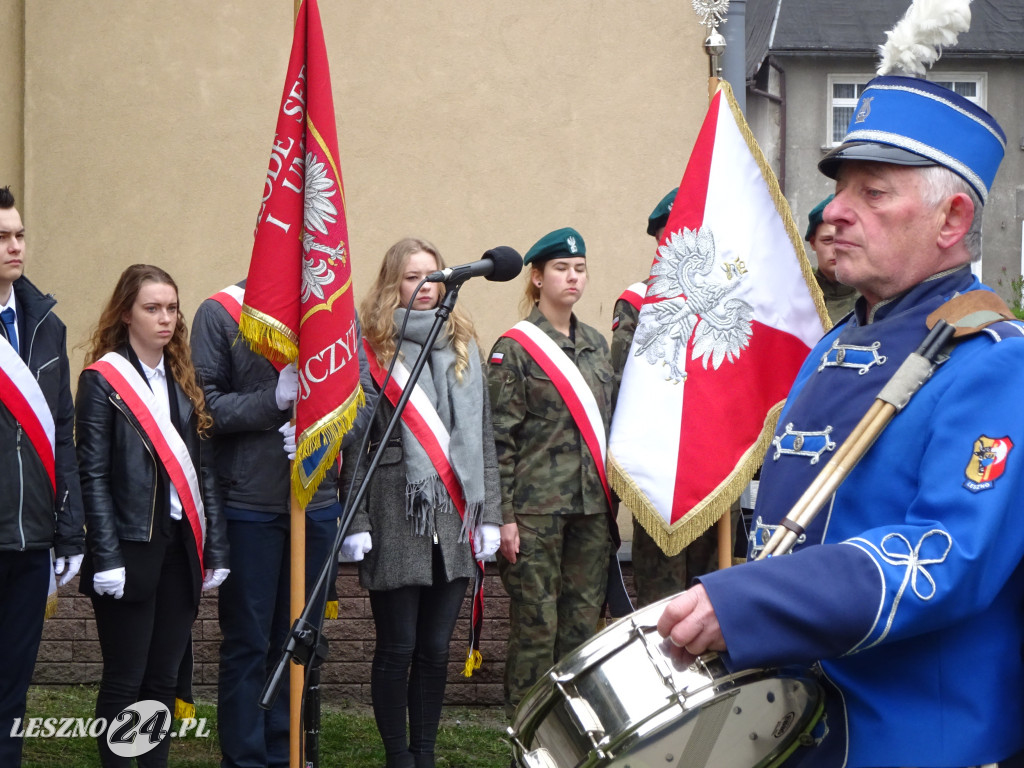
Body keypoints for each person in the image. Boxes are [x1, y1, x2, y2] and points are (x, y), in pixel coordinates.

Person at [657, 75, 1024, 767]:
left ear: (949, 221)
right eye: (841, 187)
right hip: (807, 725)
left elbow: (946, 556)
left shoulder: (995, 362)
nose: (835, 210)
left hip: (917, 739)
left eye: (872, 192)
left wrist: (755, 603)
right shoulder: (835, 345)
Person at [190, 280, 374, 768]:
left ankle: (287, 752)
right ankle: (246, 757)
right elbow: (204, 406)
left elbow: (360, 400)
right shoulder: (221, 312)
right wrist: (271, 399)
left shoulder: (334, 312)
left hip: (314, 505)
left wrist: (319, 428)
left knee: (299, 640)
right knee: (249, 642)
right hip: (250, 504)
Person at [341, 237, 501, 768]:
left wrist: (491, 516)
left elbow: (483, 442)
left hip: (455, 518)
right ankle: (397, 755)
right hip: (394, 513)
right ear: (393, 284)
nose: (426, 286)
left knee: (435, 650)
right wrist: (356, 518)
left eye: (434, 276)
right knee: (398, 647)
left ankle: (425, 754)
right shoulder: (371, 349)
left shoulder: (461, 348)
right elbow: (354, 442)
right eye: (413, 277)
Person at [76, 264, 229, 767]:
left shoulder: (184, 381)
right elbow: (92, 475)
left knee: (163, 678)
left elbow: (203, 471)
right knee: (126, 678)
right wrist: (105, 555)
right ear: (126, 314)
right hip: (129, 549)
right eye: (152, 308)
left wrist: (216, 547)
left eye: (171, 308)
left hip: (179, 548)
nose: (165, 319)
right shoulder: (103, 382)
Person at [487, 227, 616, 714]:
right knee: (536, 628)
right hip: (534, 514)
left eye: (580, 268)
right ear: (537, 278)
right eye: (562, 269)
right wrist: (503, 517)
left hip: (590, 512)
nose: (573, 277)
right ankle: (528, 736)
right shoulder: (515, 348)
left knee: (582, 629)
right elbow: (499, 439)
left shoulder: (597, 345)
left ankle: (574, 735)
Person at [0, 185, 85, 764]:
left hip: (31, 539)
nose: (15, 247)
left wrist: (70, 527)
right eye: (3, 238)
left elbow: (62, 433)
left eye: (20, 235)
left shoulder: (46, 326)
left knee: (13, 687)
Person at [611, 188, 722, 607]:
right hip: (660, 468)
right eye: (675, 233)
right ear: (661, 239)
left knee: (711, 595)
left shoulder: (721, 302)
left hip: (713, 470)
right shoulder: (639, 302)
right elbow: (622, 386)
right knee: (663, 602)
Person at [805, 194, 859, 324]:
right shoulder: (797, 299)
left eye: (845, 240)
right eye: (828, 240)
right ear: (813, 243)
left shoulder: (878, 301)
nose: (837, 249)